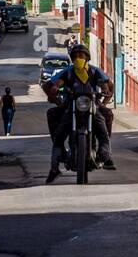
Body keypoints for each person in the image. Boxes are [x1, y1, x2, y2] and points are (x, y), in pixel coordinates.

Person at [44, 43, 115, 183]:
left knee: (103, 129)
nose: (78, 58)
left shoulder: (94, 71)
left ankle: (106, 155)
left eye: (81, 56)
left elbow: (106, 84)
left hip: (91, 106)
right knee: (59, 134)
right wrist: (55, 91)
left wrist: (104, 95)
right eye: (75, 56)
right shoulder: (68, 72)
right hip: (71, 107)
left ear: (87, 57)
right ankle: (54, 167)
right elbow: (56, 83)